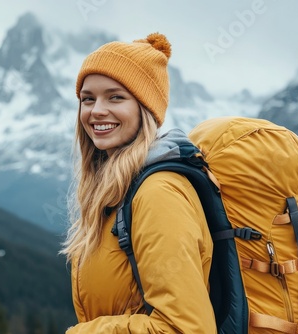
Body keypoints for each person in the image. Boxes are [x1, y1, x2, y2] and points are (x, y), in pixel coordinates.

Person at [61, 32, 217, 333]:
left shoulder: (157, 195)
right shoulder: (116, 192)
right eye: (87, 99)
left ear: (145, 108)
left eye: (115, 97)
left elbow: (185, 328)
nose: (96, 111)